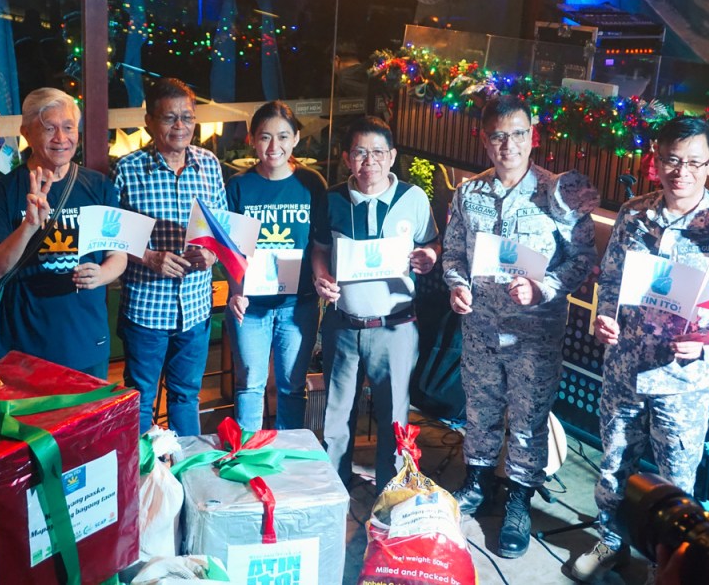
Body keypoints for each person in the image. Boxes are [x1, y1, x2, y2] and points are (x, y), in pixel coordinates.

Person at [572, 116, 709, 581]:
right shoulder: (634, 213)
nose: (681, 172)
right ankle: (610, 541)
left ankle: (666, 566)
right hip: (624, 370)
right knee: (614, 465)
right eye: (671, 160)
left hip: (683, 382)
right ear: (656, 160)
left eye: (694, 162)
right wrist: (604, 316)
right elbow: (612, 279)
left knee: (675, 486)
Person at [441, 94, 599, 558]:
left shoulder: (558, 195)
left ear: (533, 137)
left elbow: (583, 260)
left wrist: (543, 288)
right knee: (480, 409)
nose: (507, 145)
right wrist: (456, 285)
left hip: (534, 334)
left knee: (529, 419)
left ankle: (518, 499)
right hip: (481, 328)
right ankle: (477, 481)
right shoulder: (468, 193)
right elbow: (454, 254)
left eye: (517, 135)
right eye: (497, 136)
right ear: (484, 140)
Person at [312, 115, 439, 490]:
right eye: (360, 153)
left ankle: (390, 491)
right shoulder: (332, 199)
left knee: (394, 416)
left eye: (378, 153)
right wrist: (321, 276)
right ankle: (334, 489)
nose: (370, 161)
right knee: (336, 414)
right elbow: (319, 248)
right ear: (347, 158)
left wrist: (430, 256)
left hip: (395, 327)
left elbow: (431, 243)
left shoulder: (413, 199)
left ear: (392, 156)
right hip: (342, 323)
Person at [0, 88, 127, 377]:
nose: (61, 138)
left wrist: (101, 274)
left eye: (69, 127)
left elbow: (117, 256)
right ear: (26, 132)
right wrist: (28, 227)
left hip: (86, 339)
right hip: (23, 344)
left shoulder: (99, 187)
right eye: (49, 128)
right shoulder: (5, 192)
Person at [112, 77, 225, 435]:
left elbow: (221, 228)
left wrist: (212, 254)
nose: (180, 126)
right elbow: (110, 236)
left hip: (195, 307)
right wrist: (148, 257)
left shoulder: (209, 164)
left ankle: (186, 468)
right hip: (146, 308)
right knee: (140, 398)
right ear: (149, 122)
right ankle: (144, 469)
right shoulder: (127, 169)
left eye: (187, 117)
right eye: (169, 117)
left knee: (186, 397)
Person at [225, 101, 328, 431]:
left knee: (292, 388)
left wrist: (322, 278)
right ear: (252, 140)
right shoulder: (239, 186)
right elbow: (231, 249)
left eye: (283, 136)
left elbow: (320, 243)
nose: (274, 146)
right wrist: (236, 291)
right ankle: (248, 453)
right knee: (249, 386)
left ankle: (287, 455)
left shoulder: (312, 183)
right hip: (251, 305)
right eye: (265, 137)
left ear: (296, 138)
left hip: (298, 304)